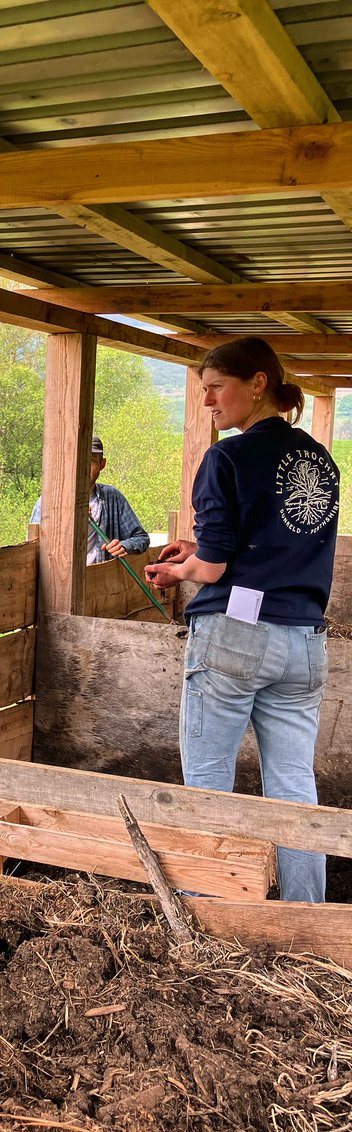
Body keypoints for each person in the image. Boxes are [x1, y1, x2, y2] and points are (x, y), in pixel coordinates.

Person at [145, 336, 339, 904]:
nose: (208, 401)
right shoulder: (320, 461)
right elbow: (271, 544)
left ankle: (213, 923)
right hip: (303, 641)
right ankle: (307, 920)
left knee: (209, 786)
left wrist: (180, 570)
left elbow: (217, 564)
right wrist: (200, 552)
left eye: (216, 388)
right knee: (294, 788)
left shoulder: (226, 458)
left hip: (233, 638)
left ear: (258, 384)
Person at [30, 436, 150, 562]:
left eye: (91, 461)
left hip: (99, 578)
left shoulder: (112, 497)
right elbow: (33, 549)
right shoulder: (47, 502)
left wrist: (124, 546)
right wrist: (66, 520)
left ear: (102, 465)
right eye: (78, 460)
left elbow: (141, 538)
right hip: (59, 579)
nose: (83, 467)